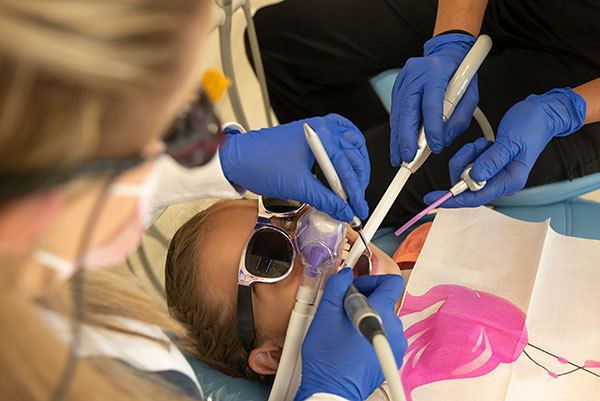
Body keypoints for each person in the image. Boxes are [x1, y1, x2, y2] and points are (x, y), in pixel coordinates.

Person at [0, 0, 406, 400]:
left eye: (283, 207)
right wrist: (331, 395)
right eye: (268, 257)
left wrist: (225, 161)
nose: (311, 231)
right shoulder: (128, 381)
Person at [247, 0, 600, 227]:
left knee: (329, 194)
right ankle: (380, 167)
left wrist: (564, 110)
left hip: (584, 83)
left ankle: (377, 194)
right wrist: (451, 39)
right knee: (275, 43)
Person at [164, 198, 414, 398]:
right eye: (269, 259)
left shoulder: (418, 240)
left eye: (288, 213)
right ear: (274, 356)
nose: (311, 229)